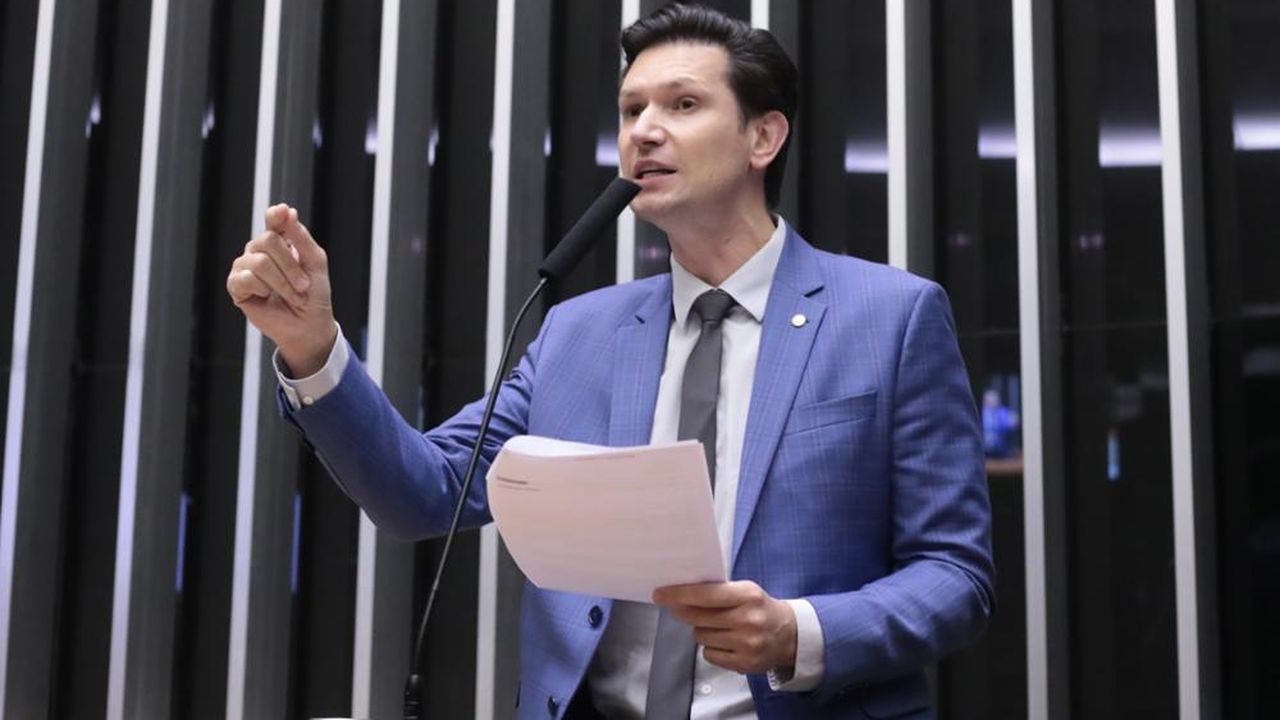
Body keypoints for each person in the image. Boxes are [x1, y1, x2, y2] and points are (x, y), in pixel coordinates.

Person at [226, 5, 993, 718]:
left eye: (682, 105)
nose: (644, 132)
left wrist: (801, 632)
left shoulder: (891, 319)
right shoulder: (576, 334)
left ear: (763, 138)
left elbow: (956, 576)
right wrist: (312, 349)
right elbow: (421, 493)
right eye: (631, 111)